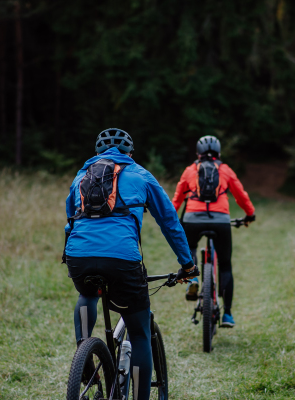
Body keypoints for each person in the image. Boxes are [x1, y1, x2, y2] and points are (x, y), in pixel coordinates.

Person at [63, 128, 198, 400]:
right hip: (122, 260)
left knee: (87, 292)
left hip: (79, 256)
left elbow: (71, 221)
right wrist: (187, 265)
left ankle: (83, 351)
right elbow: (169, 222)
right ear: (130, 153)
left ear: (98, 153)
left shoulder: (81, 176)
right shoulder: (141, 175)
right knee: (139, 334)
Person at [172, 135, 255, 328]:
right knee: (225, 265)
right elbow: (241, 195)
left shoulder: (190, 170)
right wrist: (249, 214)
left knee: (190, 245)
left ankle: (192, 277)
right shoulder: (225, 170)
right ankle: (227, 314)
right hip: (220, 220)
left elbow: (176, 199)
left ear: (198, 154)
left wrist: (171, 219)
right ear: (218, 153)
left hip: (192, 218)